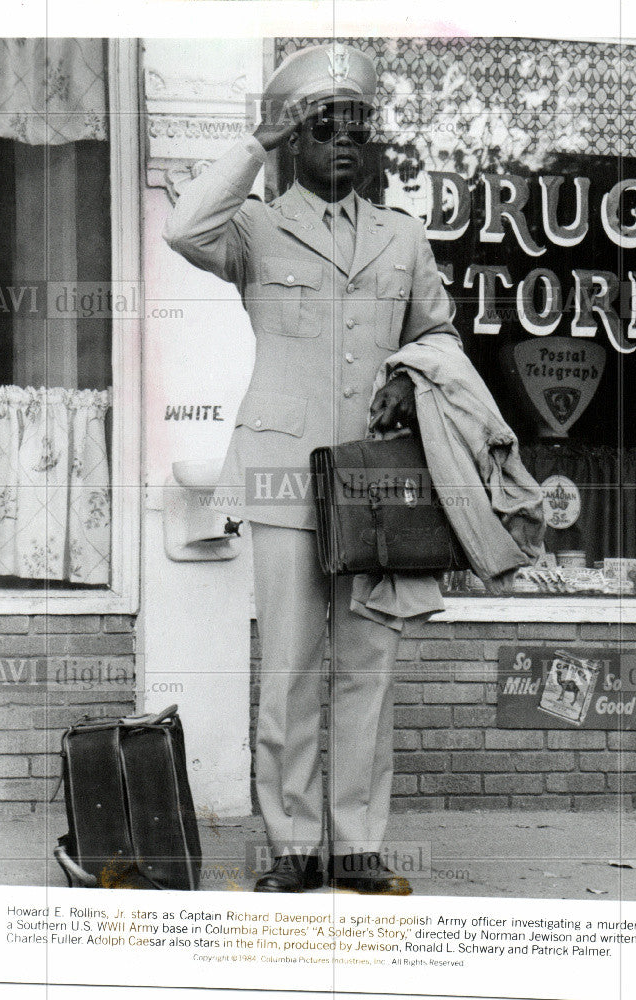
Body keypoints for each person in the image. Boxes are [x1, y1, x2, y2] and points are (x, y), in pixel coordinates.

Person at [164, 42, 461, 894]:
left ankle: (358, 845)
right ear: (296, 140)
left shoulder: (403, 237)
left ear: (369, 144)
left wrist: (413, 374)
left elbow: (437, 332)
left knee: (368, 662)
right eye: (322, 125)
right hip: (282, 474)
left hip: (377, 483)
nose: (341, 139)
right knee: (290, 664)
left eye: (355, 126)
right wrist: (253, 145)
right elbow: (184, 227)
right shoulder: (254, 228)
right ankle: (292, 845)